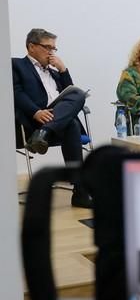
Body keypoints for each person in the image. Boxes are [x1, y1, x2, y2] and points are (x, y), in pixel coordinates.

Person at [12, 28, 92, 208]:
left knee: (77, 98)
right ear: (31, 46)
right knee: (70, 124)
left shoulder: (55, 72)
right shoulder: (16, 65)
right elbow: (15, 93)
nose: (51, 52)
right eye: (47, 47)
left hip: (52, 128)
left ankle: (45, 133)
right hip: (33, 122)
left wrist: (63, 70)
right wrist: (36, 112)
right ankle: (80, 193)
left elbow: (71, 95)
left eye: (54, 49)